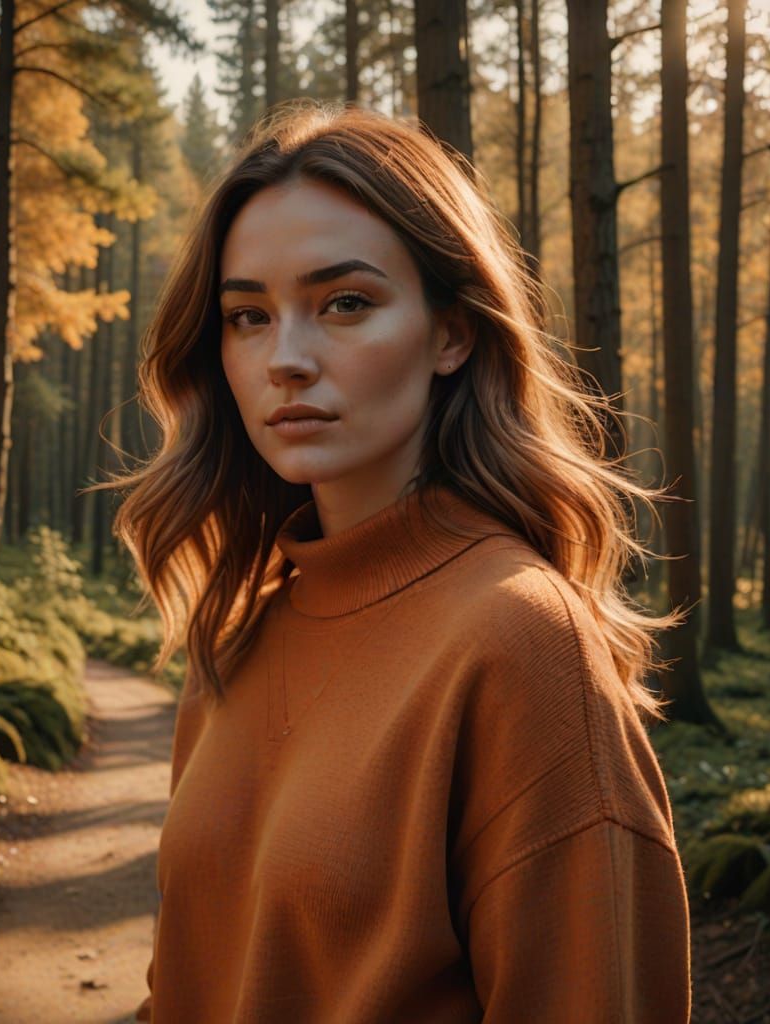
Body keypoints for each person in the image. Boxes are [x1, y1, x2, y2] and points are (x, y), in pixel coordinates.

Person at [115, 101, 692, 1022]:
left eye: (345, 303)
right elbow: (187, 980)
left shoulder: (522, 642)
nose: (286, 359)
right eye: (248, 315)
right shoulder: (244, 623)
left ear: (453, 332)